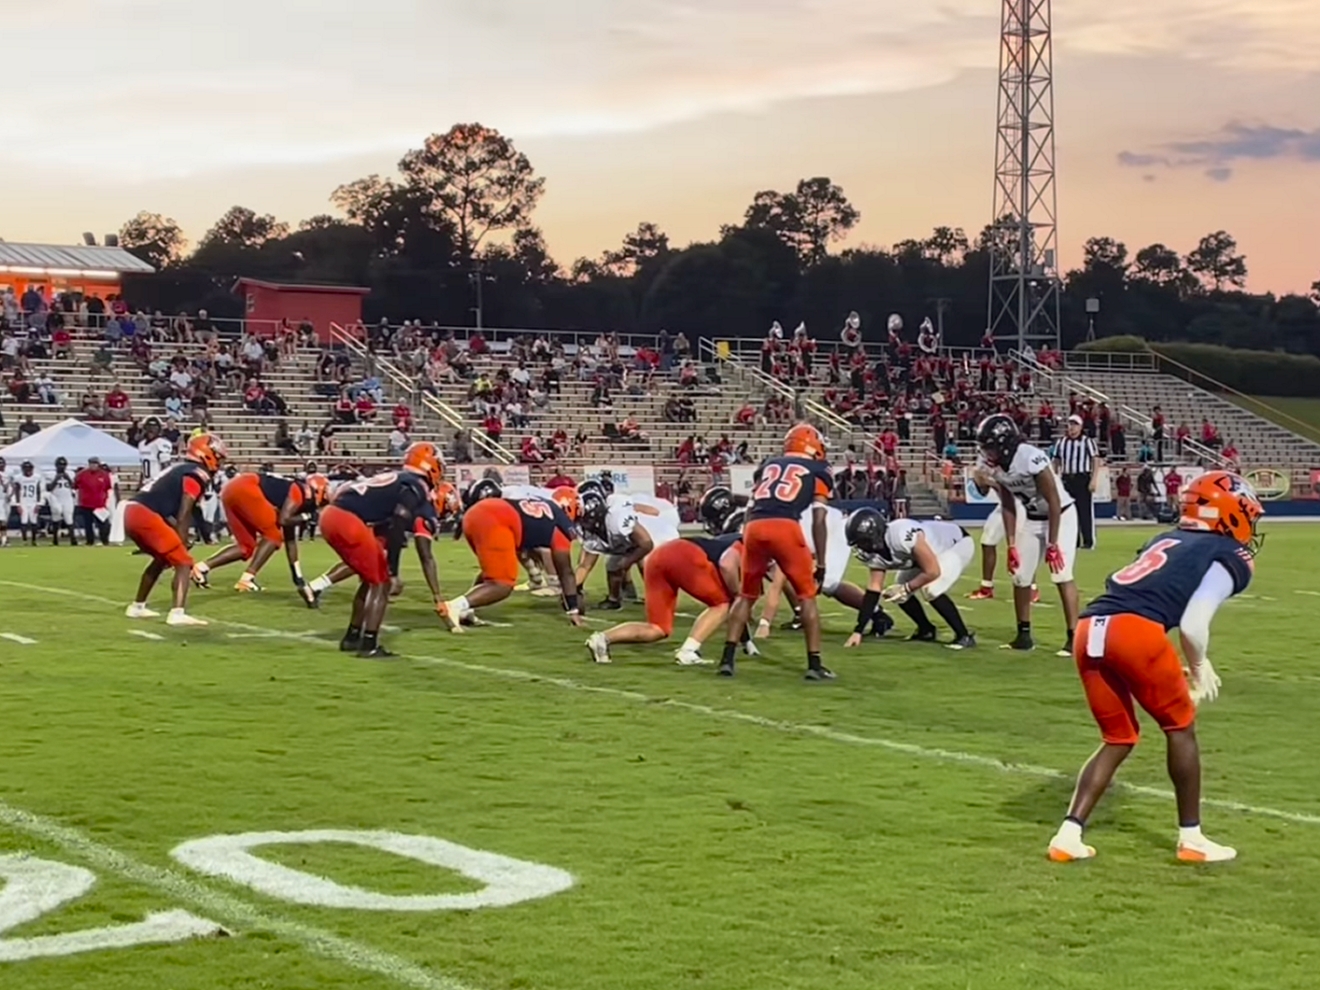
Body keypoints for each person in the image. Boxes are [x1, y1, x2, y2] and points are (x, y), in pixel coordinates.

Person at [1047, 471, 1265, 865]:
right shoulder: (1230, 553)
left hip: (1088, 628)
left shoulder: (1164, 538)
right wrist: (1198, 666)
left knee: (1119, 737)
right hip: (1134, 631)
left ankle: (1068, 834)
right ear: (1231, 514)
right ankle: (1192, 839)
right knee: (1180, 728)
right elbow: (1195, 623)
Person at [717, 423, 836, 681]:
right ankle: (814, 664)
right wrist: (823, 562)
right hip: (785, 527)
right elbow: (818, 520)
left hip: (754, 527)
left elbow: (750, 508)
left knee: (746, 595)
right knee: (806, 597)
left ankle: (727, 659)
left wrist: (749, 537)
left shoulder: (769, 465)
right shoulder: (818, 470)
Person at [316, 443, 448, 658]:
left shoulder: (398, 477)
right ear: (429, 465)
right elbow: (399, 518)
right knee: (382, 582)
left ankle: (352, 638)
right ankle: (369, 645)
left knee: (370, 580)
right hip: (346, 519)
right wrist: (394, 571)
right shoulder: (416, 485)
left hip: (333, 515)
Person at [976, 413, 1080, 656]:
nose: (987, 454)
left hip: (1061, 515)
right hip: (1033, 517)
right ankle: (1024, 635)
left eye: (990, 448)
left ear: (1004, 443)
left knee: (1061, 573)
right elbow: (1008, 505)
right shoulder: (997, 467)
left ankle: (1074, 637)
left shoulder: (1029, 456)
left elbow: (1053, 500)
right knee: (1021, 576)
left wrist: (1053, 543)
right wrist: (1011, 543)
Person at [585, 532, 751, 666]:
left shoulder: (731, 541)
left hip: (659, 556)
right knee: (721, 605)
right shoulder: (745, 544)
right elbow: (727, 566)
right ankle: (688, 651)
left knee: (658, 628)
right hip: (684, 554)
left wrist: (747, 642)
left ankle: (602, 639)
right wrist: (737, 593)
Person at [439, 485, 584, 630]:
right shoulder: (560, 524)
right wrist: (573, 610)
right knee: (502, 584)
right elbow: (565, 572)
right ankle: (455, 606)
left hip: (478, 512)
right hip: (495, 520)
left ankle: (466, 610)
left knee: (492, 570)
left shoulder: (545, 507)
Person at [123, 433, 227, 626]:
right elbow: (185, 510)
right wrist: (181, 538)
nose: (219, 462)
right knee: (183, 562)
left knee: (162, 559)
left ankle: (137, 607)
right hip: (145, 514)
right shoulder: (197, 473)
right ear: (206, 453)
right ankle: (177, 613)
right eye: (218, 457)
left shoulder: (181, 467)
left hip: (132, 511)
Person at [844, 507, 976, 649]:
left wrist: (906, 588)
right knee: (896, 591)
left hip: (955, 544)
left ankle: (964, 635)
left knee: (931, 589)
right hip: (927, 556)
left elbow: (932, 572)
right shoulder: (874, 553)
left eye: (862, 542)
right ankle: (926, 630)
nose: (861, 547)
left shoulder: (901, 534)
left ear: (875, 534)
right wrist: (858, 631)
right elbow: (873, 590)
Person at [191, 472, 331, 598]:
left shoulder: (298, 494)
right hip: (247, 486)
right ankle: (247, 579)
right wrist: (307, 517)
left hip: (233, 487)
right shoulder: (301, 491)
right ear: (317, 490)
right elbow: (283, 520)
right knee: (273, 536)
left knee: (245, 547)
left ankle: (201, 568)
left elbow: (290, 540)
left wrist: (297, 576)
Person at [1051, 414, 1103, 550]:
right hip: (1067, 478)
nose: (1072, 428)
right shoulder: (1061, 442)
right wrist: (1055, 478)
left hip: (1082, 477)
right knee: (1068, 512)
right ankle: (1073, 541)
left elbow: (1095, 459)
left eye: (1074, 425)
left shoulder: (1087, 441)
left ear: (1080, 427)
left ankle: (1088, 541)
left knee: (1084, 511)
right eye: (1070, 425)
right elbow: (1056, 460)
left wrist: (1093, 479)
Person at [74, 457, 114, 545]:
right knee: (88, 524)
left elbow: (107, 488)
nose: (93, 465)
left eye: (95, 463)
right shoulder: (82, 474)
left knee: (102, 524)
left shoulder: (104, 475)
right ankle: (90, 541)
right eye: (91, 463)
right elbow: (75, 485)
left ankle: (104, 540)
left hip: (99, 504)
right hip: (86, 503)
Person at [45, 456, 79, 546]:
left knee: (69, 518)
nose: (62, 467)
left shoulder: (70, 474)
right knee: (56, 516)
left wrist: (67, 478)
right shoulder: (50, 474)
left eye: (63, 465)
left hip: (67, 498)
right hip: (56, 498)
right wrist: (56, 479)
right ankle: (55, 539)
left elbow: (74, 486)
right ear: (56, 465)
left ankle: (73, 539)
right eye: (60, 465)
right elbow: (49, 488)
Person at [14, 461, 44, 545]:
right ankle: (25, 540)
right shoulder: (19, 478)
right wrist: (18, 504)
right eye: (26, 469)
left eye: (29, 469)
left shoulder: (36, 477)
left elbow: (38, 491)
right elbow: (17, 491)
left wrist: (38, 503)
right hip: (23, 501)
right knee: (24, 521)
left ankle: (34, 540)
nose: (28, 471)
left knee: (34, 521)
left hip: (33, 501)